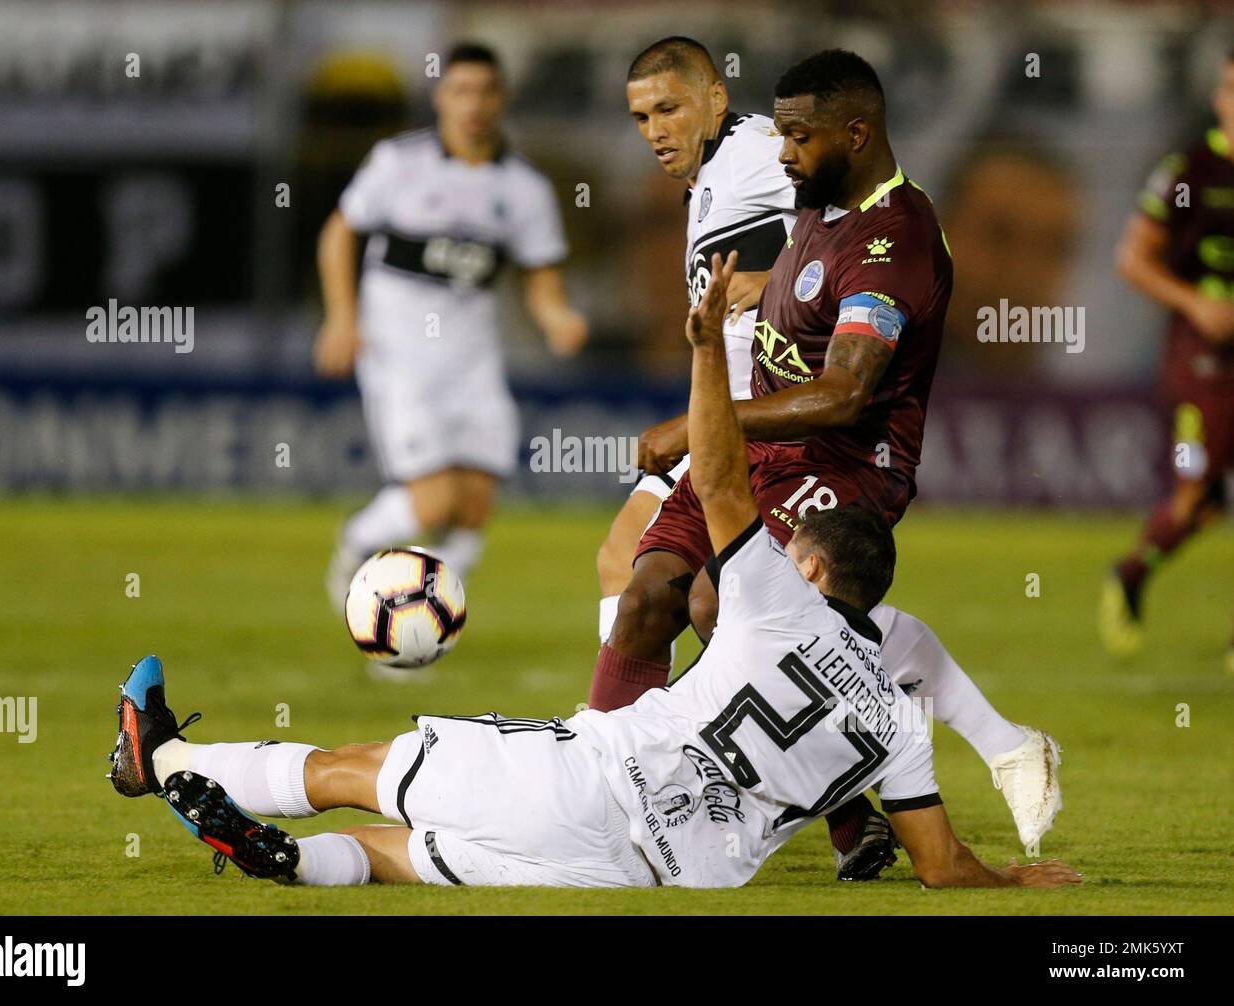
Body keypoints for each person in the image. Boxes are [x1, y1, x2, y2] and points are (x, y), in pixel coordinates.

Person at [106, 252, 1081, 892]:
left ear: (815, 560)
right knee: (400, 861)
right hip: (646, 877)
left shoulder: (777, 600)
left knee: (357, 773)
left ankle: (168, 761)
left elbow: (728, 479)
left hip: (594, 778)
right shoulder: (893, 718)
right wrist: (1014, 882)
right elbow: (942, 865)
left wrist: (707, 357)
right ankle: (283, 863)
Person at [595, 44, 1062, 870]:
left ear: (856, 134)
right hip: (765, 454)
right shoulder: (821, 204)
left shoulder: (898, 238)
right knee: (642, 595)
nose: (782, 155)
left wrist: (703, 427)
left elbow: (845, 392)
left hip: (846, 466)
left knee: (719, 604)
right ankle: (599, 792)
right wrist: (763, 282)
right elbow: (811, 296)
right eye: (779, 136)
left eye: (798, 139)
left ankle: (923, 782)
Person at [315, 42, 587, 606]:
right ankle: (357, 543)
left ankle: (413, 621)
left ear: (502, 98)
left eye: (486, 91)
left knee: (474, 508)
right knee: (434, 502)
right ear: (441, 97)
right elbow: (340, 232)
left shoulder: (525, 190)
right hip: (399, 353)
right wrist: (342, 318)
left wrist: (557, 319)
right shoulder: (399, 163)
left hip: (473, 360)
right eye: (461, 91)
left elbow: (541, 281)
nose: (474, 104)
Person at [1100, 53, 1234, 671]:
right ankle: (1129, 573)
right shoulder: (1188, 171)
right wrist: (1196, 304)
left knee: (1205, 501)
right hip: (1201, 366)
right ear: (1219, 96)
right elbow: (1132, 260)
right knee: (1198, 496)